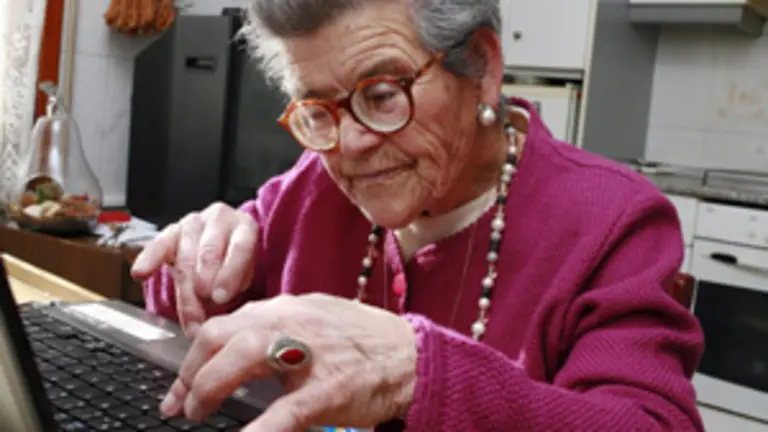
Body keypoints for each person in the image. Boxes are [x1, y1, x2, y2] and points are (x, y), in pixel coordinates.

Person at [132, 0, 705, 430]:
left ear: (480, 67)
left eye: (381, 94)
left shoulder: (613, 221)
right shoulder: (314, 185)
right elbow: (193, 311)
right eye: (318, 108)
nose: (351, 143)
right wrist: (196, 257)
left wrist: (420, 372)